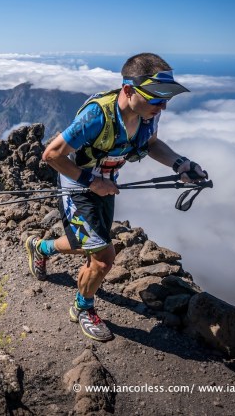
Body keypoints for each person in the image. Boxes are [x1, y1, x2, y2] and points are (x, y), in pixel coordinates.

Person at [25, 53, 207, 341]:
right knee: (103, 257)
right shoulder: (97, 116)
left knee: (86, 243)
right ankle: (82, 308)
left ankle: (40, 247)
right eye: (157, 98)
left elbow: (152, 144)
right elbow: (52, 155)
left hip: (106, 183)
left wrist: (180, 164)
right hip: (78, 184)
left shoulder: (147, 116)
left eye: (166, 99)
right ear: (128, 90)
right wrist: (91, 182)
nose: (163, 106)